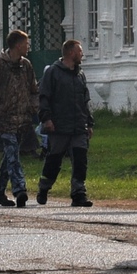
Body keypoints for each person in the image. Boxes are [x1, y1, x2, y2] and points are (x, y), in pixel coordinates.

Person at [0, 28, 39, 209]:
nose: (28, 47)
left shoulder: (26, 65)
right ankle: (20, 189)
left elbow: (33, 89)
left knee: (9, 156)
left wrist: (32, 107)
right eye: (25, 43)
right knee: (13, 152)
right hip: (5, 119)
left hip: (23, 119)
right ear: (17, 45)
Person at [36, 37, 92, 206]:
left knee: (80, 159)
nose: (82, 54)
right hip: (59, 126)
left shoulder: (80, 74)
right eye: (79, 50)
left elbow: (85, 100)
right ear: (70, 53)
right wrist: (46, 118)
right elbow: (44, 96)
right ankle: (44, 187)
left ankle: (78, 193)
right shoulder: (53, 72)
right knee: (54, 160)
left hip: (78, 125)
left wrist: (89, 122)